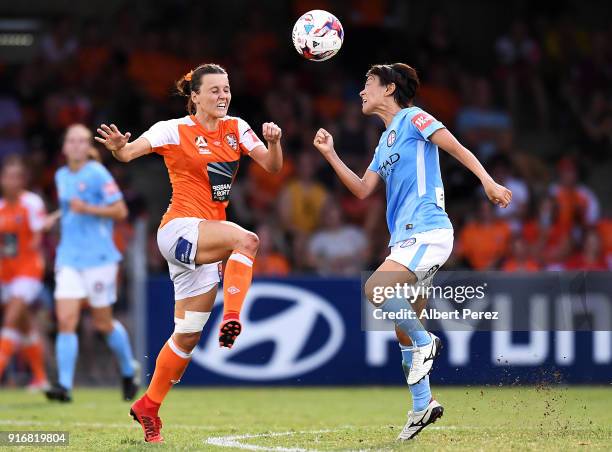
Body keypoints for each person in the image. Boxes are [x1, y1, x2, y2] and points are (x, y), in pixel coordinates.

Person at [313, 63, 511, 440]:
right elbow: (361, 189)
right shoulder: (384, 140)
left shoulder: (415, 118)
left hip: (427, 231)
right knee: (402, 331)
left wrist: (488, 181)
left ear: (389, 88)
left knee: (376, 289)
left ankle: (427, 342)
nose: (361, 92)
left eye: (367, 84)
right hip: (406, 239)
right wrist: (330, 153)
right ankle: (422, 406)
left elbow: (455, 146)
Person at [95, 63, 283, 443]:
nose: (223, 96)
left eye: (226, 89)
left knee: (187, 336)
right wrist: (118, 149)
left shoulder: (238, 128)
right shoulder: (173, 129)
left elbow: (271, 166)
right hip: (178, 229)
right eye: (214, 90)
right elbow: (129, 154)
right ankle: (232, 318)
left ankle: (148, 407)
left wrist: (275, 141)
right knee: (246, 240)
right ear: (194, 96)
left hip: (205, 244)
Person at [45, 124, 138, 403]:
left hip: (99, 258)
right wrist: (56, 216)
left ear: (88, 147)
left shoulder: (97, 173)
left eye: (81, 141)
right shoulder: (61, 175)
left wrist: (87, 209)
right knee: (66, 321)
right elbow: (69, 207)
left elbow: (120, 210)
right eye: (71, 140)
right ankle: (64, 386)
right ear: (64, 147)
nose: (75, 145)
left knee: (103, 323)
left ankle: (127, 369)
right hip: (69, 258)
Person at [0, 156, 48, 390]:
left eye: (17, 176)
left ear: (23, 180)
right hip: (6, 274)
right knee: (24, 324)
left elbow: (37, 236)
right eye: (8, 176)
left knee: (10, 317)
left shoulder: (32, 203)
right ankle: (40, 378)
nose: (12, 181)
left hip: (28, 271)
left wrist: (35, 237)